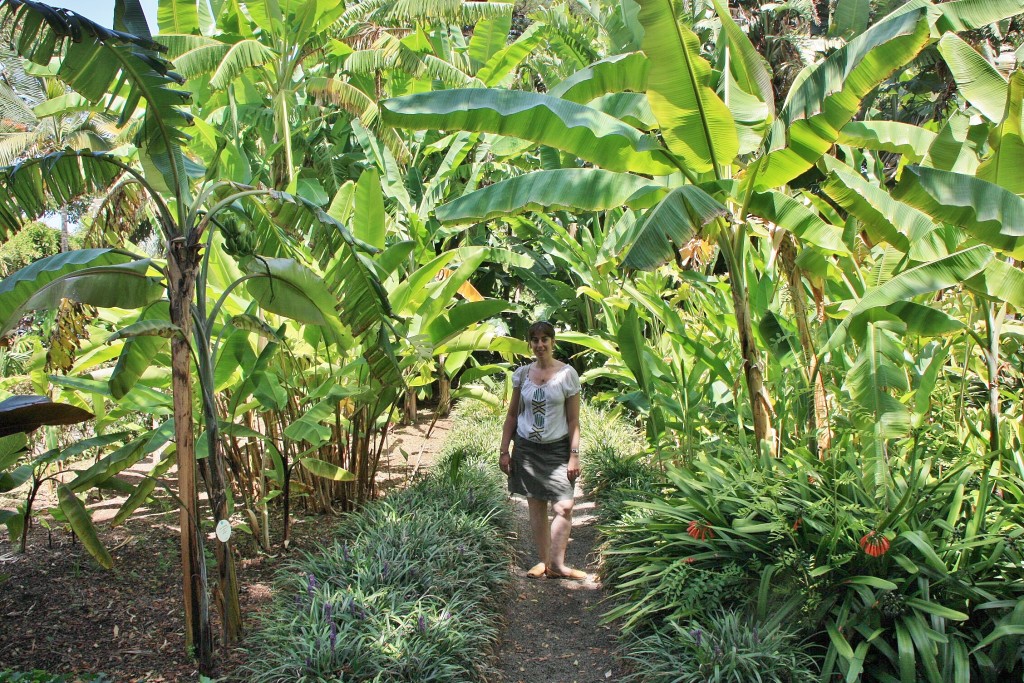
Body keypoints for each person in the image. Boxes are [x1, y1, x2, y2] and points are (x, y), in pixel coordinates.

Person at [499, 321, 586, 580]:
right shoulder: (523, 374)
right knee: (535, 504)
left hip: (558, 449)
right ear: (530, 344)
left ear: (552, 342)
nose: (539, 345)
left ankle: (558, 565)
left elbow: (573, 421)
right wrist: (505, 450)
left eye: (544, 339)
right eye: (534, 340)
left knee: (565, 507)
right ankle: (544, 561)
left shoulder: (567, 374)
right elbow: (513, 414)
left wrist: (574, 455)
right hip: (527, 448)